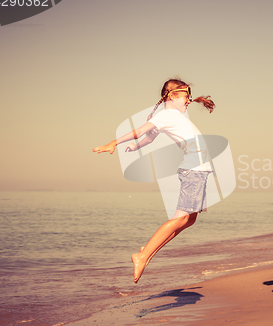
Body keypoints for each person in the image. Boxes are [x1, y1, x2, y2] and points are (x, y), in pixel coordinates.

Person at [92, 79, 215, 283]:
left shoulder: (170, 116)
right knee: (180, 219)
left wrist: (137, 147)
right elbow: (140, 131)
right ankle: (142, 255)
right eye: (186, 97)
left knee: (189, 219)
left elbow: (149, 138)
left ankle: (148, 250)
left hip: (199, 170)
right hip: (194, 169)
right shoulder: (166, 115)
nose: (189, 101)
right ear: (172, 96)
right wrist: (114, 142)